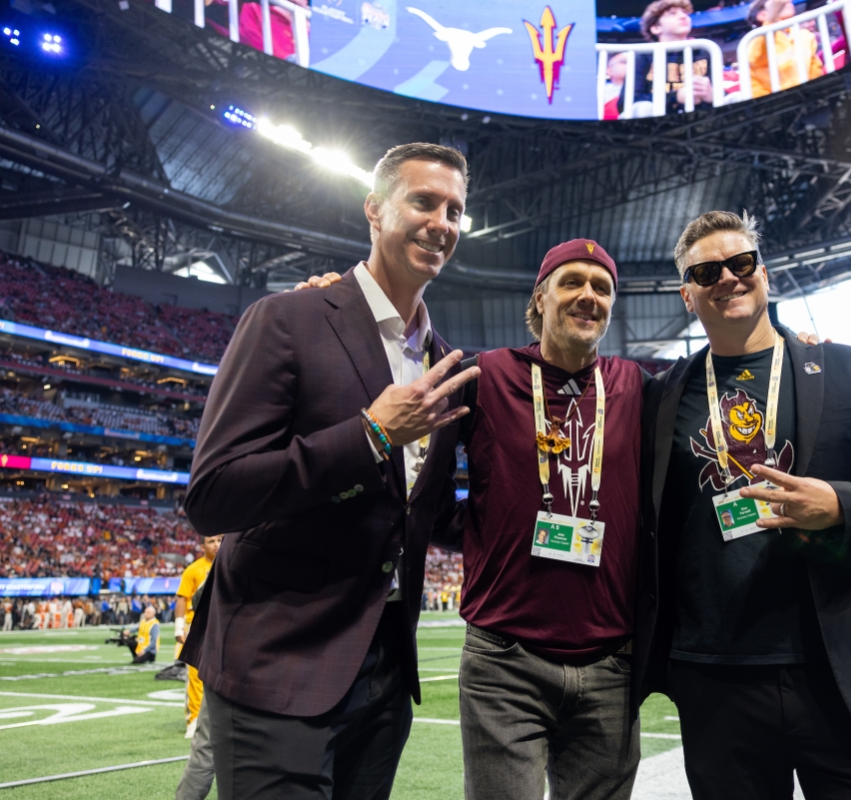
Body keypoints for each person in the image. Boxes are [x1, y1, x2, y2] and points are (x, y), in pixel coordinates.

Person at [179, 142, 480, 800]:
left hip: (383, 675)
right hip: (278, 663)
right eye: (424, 202)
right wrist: (370, 434)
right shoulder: (287, 320)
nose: (442, 222)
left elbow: (429, 515)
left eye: (456, 210)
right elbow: (213, 495)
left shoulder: (445, 365)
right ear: (374, 210)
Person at [299, 239, 648, 800]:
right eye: (572, 282)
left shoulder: (638, 387)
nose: (588, 296)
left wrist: (789, 346)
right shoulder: (484, 376)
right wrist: (324, 307)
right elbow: (418, 479)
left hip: (612, 661)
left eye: (602, 287)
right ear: (540, 297)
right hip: (505, 661)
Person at [638, 210, 851, 799]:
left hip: (838, 664)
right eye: (708, 271)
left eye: (741, 264)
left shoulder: (846, 369)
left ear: (764, 275)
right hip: (715, 674)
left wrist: (838, 504)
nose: (728, 278)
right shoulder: (660, 394)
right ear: (687, 294)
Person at [621, 0, 715, 116]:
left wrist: (712, 95)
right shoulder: (643, 55)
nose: (683, 16)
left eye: (685, 13)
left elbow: (721, 95)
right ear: (656, 28)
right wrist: (675, 97)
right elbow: (625, 103)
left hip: (700, 121)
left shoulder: (704, 51)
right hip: (655, 125)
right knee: (643, 107)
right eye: (672, 14)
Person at [175, 534, 223, 739]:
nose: (216, 545)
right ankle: (193, 719)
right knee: (195, 673)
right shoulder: (193, 569)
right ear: (202, 546)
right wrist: (179, 628)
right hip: (197, 625)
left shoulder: (229, 565)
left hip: (221, 624)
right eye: (211, 541)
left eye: (220, 540)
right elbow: (181, 599)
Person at [744, 0, 825, 98]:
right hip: (776, 105)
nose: (787, 2)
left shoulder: (804, 34)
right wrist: (772, 16)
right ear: (762, 15)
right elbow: (759, 51)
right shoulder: (753, 43)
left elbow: (816, 70)